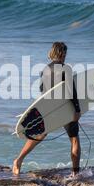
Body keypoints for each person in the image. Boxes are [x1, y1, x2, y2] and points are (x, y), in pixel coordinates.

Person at [13, 42, 82, 176]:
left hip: (49, 108)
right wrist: (77, 110)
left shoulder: (44, 70)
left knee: (41, 134)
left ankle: (19, 159)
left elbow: (41, 90)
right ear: (62, 53)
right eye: (65, 53)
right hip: (64, 107)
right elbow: (71, 91)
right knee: (74, 139)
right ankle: (75, 174)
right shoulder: (66, 68)